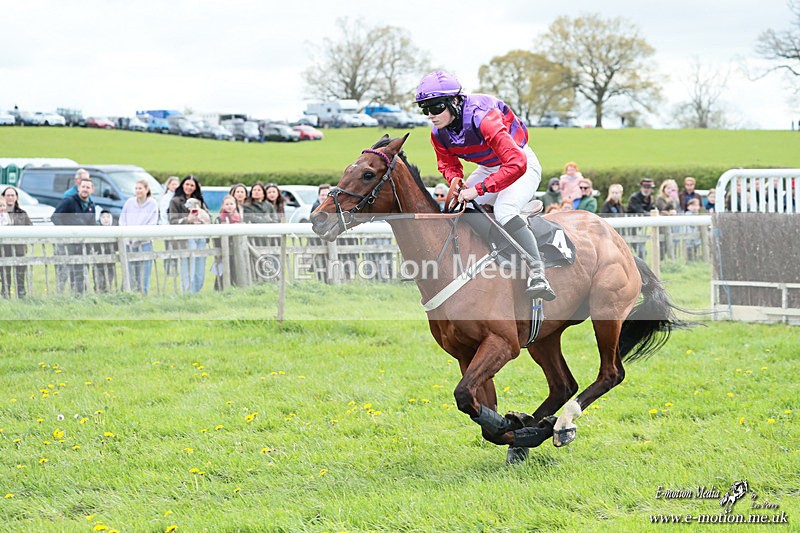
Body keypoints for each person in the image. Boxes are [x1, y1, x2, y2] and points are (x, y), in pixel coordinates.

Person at [414, 69, 555, 300]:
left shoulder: (484, 118)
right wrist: (456, 183)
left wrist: (478, 189)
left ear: (455, 102)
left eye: (437, 107)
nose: (431, 114)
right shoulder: (438, 133)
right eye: (425, 109)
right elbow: (447, 164)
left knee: (504, 209)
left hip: (520, 164)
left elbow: (516, 164)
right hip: (489, 166)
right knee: (458, 206)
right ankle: (499, 246)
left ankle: (538, 272)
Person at [53, 175, 97, 294]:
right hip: (67, 243)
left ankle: (78, 294)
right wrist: (66, 232)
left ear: (92, 190)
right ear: (78, 188)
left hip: (82, 243)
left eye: (88, 187)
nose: (85, 189)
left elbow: (92, 225)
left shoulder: (91, 206)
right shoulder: (69, 201)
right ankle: (60, 294)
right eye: (83, 186)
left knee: (81, 270)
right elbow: (55, 217)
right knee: (64, 270)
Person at [169, 175, 211, 293]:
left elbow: (209, 217)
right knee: (187, 268)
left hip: (200, 237)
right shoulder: (175, 201)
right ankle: (186, 293)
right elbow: (172, 221)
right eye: (187, 184)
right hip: (185, 238)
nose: (189, 187)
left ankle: (196, 292)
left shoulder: (199, 201)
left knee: (199, 268)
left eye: (192, 185)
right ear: (182, 185)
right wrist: (188, 220)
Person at [119, 179, 158, 294]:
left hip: (144, 242)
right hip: (129, 242)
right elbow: (123, 220)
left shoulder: (152, 204)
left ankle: (143, 294)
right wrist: (127, 236)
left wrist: (139, 236)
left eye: (140, 188)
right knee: (130, 271)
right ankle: (130, 294)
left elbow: (152, 223)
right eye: (136, 188)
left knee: (144, 272)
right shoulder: (129, 202)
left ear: (146, 190)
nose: (138, 191)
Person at [1, 186, 32, 299]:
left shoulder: (22, 213)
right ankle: (5, 295)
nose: (10, 197)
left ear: (16, 198)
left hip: (19, 249)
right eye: (7, 195)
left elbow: (30, 228)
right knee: (5, 274)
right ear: (3, 197)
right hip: (3, 250)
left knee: (20, 274)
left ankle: (21, 295)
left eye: (12, 195)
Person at [212, 194, 242, 290]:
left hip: (235, 247)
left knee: (234, 269)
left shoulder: (238, 218)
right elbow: (216, 236)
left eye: (231, 204)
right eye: (227, 204)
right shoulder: (219, 218)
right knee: (222, 271)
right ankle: (219, 289)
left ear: (235, 205)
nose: (229, 206)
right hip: (223, 247)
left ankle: (233, 287)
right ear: (223, 206)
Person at [94, 210, 118, 292]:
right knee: (99, 277)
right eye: (103, 217)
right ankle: (98, 291)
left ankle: (108, 290)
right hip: (98, 257)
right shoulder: (96, 230)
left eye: (108, 217)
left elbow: (117, 245)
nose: (106, 219)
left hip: (111, 257)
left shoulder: (115, 230)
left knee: (109, 276)